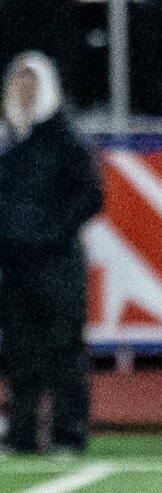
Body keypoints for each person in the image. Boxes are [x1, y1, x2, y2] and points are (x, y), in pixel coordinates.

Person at [0, 51, 102, 455]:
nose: (23, 92)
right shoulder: (6, 138)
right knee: (19, 352)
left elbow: (91, 194)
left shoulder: (66, 137)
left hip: (58, 263)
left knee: (64, 348)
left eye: (32, 85)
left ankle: (68, 434)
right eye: (18, 84)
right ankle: (21, 434)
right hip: (14, 264)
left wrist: (52, 231)